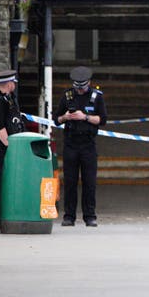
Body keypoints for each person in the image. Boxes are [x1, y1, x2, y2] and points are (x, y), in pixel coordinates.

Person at [54, 66, 107, 227]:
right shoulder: (67, 96)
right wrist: (66, 117)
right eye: (77, 87)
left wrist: (85, 117)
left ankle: (89, 216)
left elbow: (102, 120)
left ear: (89, 83)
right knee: (70, 182)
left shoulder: (97, 97)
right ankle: (69, 216)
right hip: (71, 143)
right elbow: (56, 119)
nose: (80, 91)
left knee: (89, 182)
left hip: (88, 144)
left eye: (83, 87)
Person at [0, 70, 25, 175]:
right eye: (13, 82)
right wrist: (11, 148)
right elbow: (0, 129)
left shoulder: (7, 99)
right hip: (1, 149)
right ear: (9, 84)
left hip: (7, 148)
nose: (14, 84)